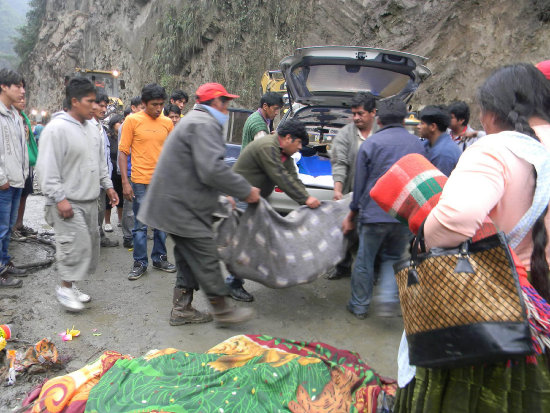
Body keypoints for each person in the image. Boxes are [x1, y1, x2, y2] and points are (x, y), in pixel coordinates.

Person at [395, 63, 550, 412]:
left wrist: (424, 238)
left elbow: (457, 219)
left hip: (498, 307)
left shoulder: (496, 148)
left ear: (493, 112)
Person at [137, 82, 260, 326]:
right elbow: (212, 169)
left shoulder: (194, 120)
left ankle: (182, 309)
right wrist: (245, 191)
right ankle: (223, 310)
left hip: (175, 203)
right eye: (225, 103)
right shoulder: (204, 124)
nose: (227, 109)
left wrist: (222, 198)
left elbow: (196, 168)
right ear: (214, 103)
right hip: (181, 207)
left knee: (186, 255)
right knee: (205, 255)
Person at [36, 77, 119, 311]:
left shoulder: (92, 128)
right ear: (74, 101)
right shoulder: (57, 129)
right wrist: (59, 199)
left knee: (87, 246)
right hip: (67, 201)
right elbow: (46, 169)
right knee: (72, 245)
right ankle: (64, 289)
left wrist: (108, 185)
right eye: (89, 101)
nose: (95, 107)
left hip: (89, 198)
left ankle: (70, 286)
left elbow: (99, 161)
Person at [342, 98, 427, 318]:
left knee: (364, 260)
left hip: (373, 214)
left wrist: (352, 213)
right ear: (403, 118)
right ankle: (388, 298)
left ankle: (359, 306)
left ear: (378, 119)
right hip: (403, 216)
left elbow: (359, 186)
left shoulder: (371, 144)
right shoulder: (417, 144)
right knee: (393, 257)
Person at [229, 119, 321, 301]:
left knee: (260, 239)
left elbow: (292, 176)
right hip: (242, 197)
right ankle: (232, 283)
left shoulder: (283, 152)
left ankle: (268, 273)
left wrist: (305, 198)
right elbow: (279, 176)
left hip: (256, 198)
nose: (300, 148)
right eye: (299, 143)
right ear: (288, 138)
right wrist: (305, 199)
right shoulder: (267, 146)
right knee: (246, 243)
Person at [118, 84, 176, 280]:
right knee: (141, 225)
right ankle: (140, 262)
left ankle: (159, 258)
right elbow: (123, 152)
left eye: (161, 104)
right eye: (154, 105)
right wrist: (125, 182)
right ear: (144, 104)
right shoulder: (132, 121)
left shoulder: (167, 122)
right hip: (140, 181)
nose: (158, 109)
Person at [328, 91, 377, 280]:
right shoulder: (346, 134)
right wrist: (338, 189)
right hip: (351, 193)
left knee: (372, 233)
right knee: (345, 230)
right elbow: (340, 162)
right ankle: (343, 266)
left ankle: (373, 271)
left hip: (376, 197)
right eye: (353, 113)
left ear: (373, 112)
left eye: (360, 114)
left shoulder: (382, 131)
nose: (356, 118)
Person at [0, 69, 29, 288]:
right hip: (4, 183)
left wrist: (24, 172)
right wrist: (1, 178)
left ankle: (5, 262)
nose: (22, 90)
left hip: (17, 179)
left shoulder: (14, 115)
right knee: (1, 228)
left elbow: (20, 149)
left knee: (8, 226)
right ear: (3, 86)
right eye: (17, 86)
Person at [91, 93, 119, 247]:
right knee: (92, 213)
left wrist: (108, 183)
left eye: (105, 106)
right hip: (92, 181)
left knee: (100, 211)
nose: (104, 109)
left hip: (103, 180)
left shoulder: (102, 128)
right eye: (100, 105)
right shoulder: (88, 127)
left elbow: (105, 157)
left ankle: (99, 236)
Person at [12, 97, 39, 247]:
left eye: (24, 98)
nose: (23, 99)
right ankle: (11, 228)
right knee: (12, 196)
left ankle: (19, 225)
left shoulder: (24, 118)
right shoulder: (7, 118)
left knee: (24, 194)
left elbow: (29, 141)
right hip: (13, 164)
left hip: (26, 163)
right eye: (19, 98)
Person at [118, 96, 143, 249]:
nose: (143, 111)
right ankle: (128, 236)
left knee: (138, 206)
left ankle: (136, 233)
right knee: (129, 208)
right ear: (133, 108)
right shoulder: (127, 124)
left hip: (139, 170)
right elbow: (123, 151)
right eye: (141, 108)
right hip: (129, 170)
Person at [417, 105, 461, 176]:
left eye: (422, 123)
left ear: (433, 127)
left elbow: (438, 184)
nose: (418, 126)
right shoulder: (427, 144)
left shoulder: (444, 153)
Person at [104, 114, 124, 232]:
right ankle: (107, 221)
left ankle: (121, 219)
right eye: (119, 122)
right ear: (113, 124)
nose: (121, 125)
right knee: (109, 197)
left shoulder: (124, 137)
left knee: (121, 196)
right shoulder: (108, 138)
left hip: (120, 172)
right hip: (110, 172)